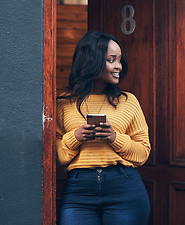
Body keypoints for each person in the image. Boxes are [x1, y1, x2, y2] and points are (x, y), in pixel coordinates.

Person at [56, 31, 151, 225]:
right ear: (92, 61)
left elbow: (143, 152)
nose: (119, 66)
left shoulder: (128, 101)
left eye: (119, 60)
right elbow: (58, 156)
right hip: (78, 191)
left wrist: (114, 138)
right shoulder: (63, 103)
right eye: (111, 60)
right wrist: (76, 136)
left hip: (124, 188)